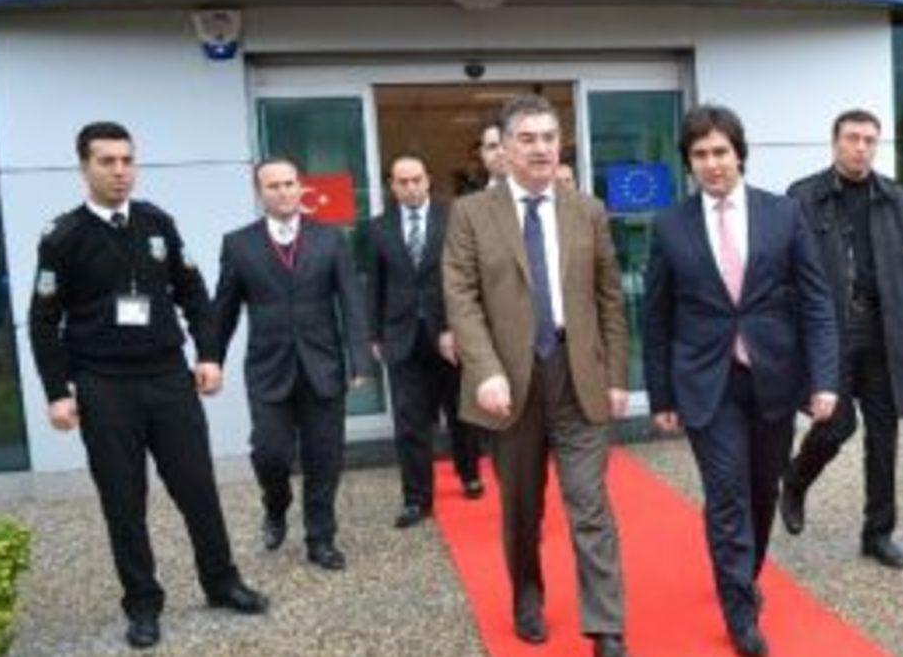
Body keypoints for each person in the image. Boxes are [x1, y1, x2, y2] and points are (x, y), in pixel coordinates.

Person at [28, 121, 267, 650]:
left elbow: (194, 293)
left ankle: (221, 581)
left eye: (127, 160)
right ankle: (142, 603)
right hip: (104, 386)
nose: (120, 171)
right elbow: (43, 321)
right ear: (84, 168)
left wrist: (208, 354)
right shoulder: (63, 236)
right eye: (107, 161)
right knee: (123, 501)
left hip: (167, 379)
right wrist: (57, 392)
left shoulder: (158, 223)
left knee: (198, 488)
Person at [642, 105, 838, 657]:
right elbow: (656, 318)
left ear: (739, 154)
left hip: (774, 376)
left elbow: (817, 301)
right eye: (700, 154)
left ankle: (743, 573)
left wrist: (824, 379)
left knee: (761, 490)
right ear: (688, 163)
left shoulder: (783, 214)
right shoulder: (670, 226)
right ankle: (740, 610)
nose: (712, 164)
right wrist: (660, 395)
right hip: (706, 382)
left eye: (720, 152)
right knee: (727, 492)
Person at [443, 95, 630, 657]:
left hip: (578, 377)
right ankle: (527, 597)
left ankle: (606, 625)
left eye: (550, 137)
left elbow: (610, 298)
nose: (542, 148)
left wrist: (617, 375)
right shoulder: (471, 214)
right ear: (504, 148)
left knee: (589, 503)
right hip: (510, 385)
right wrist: (484, 370)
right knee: (523, 509)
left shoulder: (587, 210)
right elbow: (461, 297)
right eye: (527, 139)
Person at [779, 109, 903, 570]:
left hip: (885, 333)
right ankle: (796, 481)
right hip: (831, 334)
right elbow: (786, 276)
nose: (861, 147)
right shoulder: (803, 197)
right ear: (835, 142)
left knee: (884, 436)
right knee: (837, 424)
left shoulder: (895, 198)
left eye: (869, 140)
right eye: (852, 138)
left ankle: (878, 534)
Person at [208, 157, 371, 571]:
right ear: (259, 192)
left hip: (323, 365)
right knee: (270, 453)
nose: (282, 192)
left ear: (301, 187)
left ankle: (321, 537)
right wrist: (211, 358)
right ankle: (275, 504)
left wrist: (360, 360)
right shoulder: (238, 244)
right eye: (273, 186)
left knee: (324, 457)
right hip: (268, 367)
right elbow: (223, 310)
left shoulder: (330, 238)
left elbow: (351, 300)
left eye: (288, 184)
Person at [369, 153, 484, 530]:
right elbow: (374, 284)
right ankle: (416, 498)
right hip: (401, 337)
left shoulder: (454, 218)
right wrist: (375, 333)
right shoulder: (378, 228)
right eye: (402, 181)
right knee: (410, 422)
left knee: (460, 412)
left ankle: (469, 472)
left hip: (449, 335)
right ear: (392, 186)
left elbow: (467, 276)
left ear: (428, 179)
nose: (410, 187)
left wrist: (458, 326)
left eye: (416, 179)